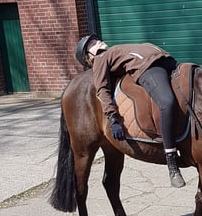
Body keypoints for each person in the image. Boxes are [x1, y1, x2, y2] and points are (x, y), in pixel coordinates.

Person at [74, 34, 186, 188]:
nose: (97, 41)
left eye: (95, 39)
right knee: (167, 102)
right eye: (92, 43)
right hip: (148, 68)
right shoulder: (100, 59)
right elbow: (101, 89)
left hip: (168, 61)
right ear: (89, 57)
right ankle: (172, 163)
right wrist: (112, 118)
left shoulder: (114, 50)